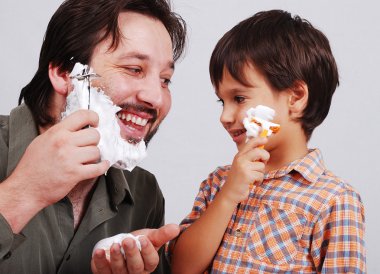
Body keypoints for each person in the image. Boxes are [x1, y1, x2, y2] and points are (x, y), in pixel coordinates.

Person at [170, 9, 366, 273]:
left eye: (239, 98)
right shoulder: (218, 183)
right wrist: (228, 196)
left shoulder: (334, 201)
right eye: (222, 101)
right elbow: (181, 267)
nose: (225, 116)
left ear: (295, 97)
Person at [0, 0, 186, 273]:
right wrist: (25, 192)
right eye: (134, 69)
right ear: (65, 73)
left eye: (165, 79)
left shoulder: (144, 194)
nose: (156, 98)